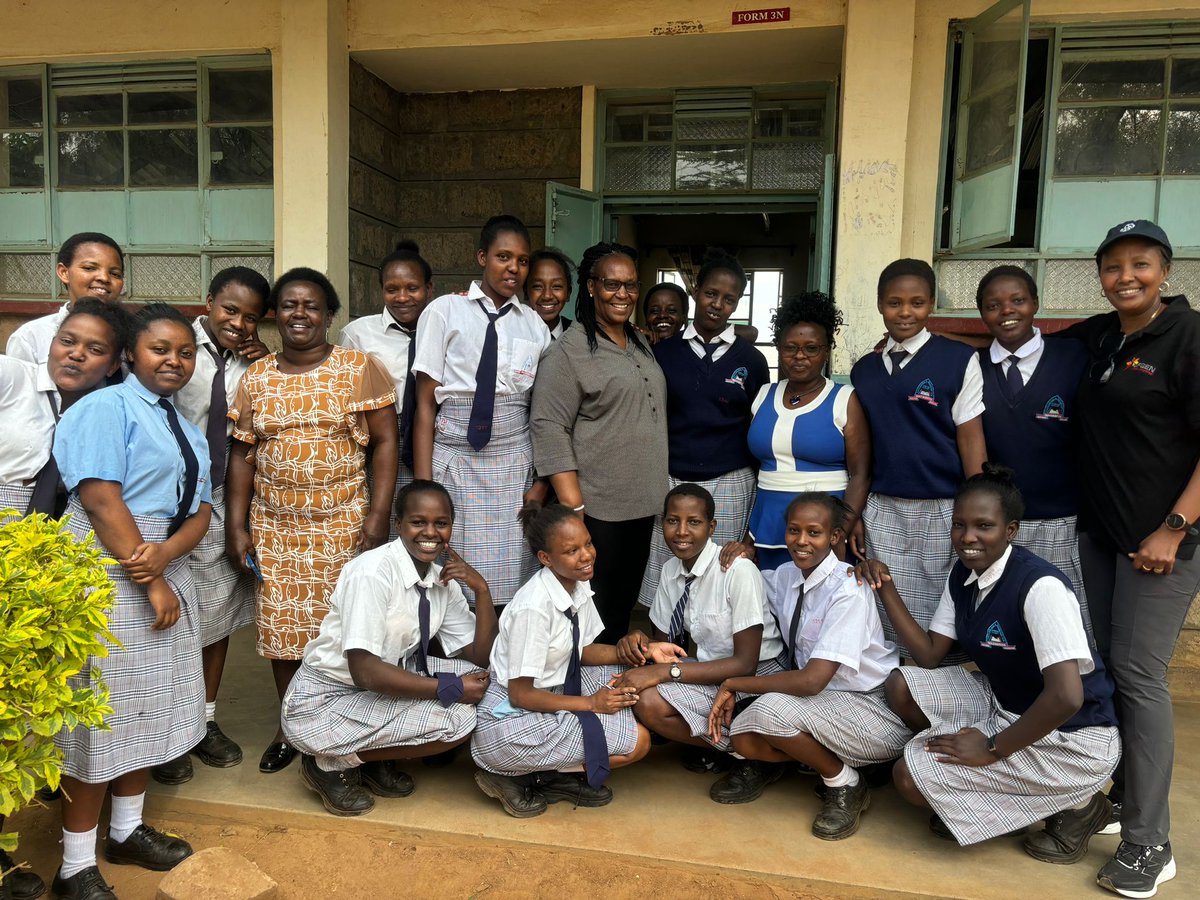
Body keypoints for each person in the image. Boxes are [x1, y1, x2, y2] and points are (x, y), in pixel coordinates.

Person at [862, 467, 1118, 862]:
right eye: (959, 525)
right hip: (1005, 705)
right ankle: (978, 785)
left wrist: (992, 748)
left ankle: (1081, 806)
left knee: (909, 779)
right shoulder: (964, 573)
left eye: (984, 525)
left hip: (1073, 736)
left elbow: (1068, 696)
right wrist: (887, 587)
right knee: (901, 684)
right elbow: (930, 655)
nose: (968, 537)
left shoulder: (1040, 587)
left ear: (1011, 530)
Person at [50, 303, 214, 899]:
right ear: (129, 355)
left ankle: (126, 831)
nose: (174, 360)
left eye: (185, 352)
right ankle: (73, 866)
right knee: (99, 718)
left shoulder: (183, 424)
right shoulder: (105, 407)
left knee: (145, 707)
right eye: (159, 349)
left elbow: (202, 510)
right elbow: (99, 499)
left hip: (160, 562)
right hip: (107, 565)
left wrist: (166, 556)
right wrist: (149, 576)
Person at [1057, 220, 1200, 898]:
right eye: (1112, 266)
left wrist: (1173, 528)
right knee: (1114, 670)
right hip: (1105, 538)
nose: (1125, 277)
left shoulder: (1188, 338)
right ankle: (1121, 798)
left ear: (1165, 269)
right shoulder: (1103, 336)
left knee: (1141, 679)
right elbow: (1030, 342)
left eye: (1139, 264)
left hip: (1162, 546)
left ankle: (1152, 844)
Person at [226, 267, 398, 776]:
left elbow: (386, 442)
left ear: (328, 315)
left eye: (313, 305)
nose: (301, 314)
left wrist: (378, 516)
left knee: (347, 629)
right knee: (283, 632)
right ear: (277, 315)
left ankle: (345, 724)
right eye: (291, 305)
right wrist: (238, 527)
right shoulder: (256, 378)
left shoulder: (359, 368)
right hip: (275, 527)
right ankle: (292, 724)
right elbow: (242, 456)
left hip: (343, 521)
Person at [280, 480, 497, 816]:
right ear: (398, 525)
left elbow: (481, 656)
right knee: (457, 718)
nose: (430, 532)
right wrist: (448, 687)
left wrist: (482, 592)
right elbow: (364, 671)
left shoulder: (441, 581)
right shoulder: (373, 573)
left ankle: (369, 759)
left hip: (377, 689)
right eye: (418, 522)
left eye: (441, 523)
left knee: (482, 679)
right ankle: (329, 764)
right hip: (324, 701)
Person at [714, 493, 907, 834]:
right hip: (824, 702)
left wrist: (733, 683)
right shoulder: (787, 575)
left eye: (814, 533)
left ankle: (846, 783)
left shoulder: (848, 588)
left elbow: (812, 681)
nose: (801, 541)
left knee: (768, 710)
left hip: (870, 706)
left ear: (834, 537)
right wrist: (746, 555)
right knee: (744, 738)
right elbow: (752, 585)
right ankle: (808, 763)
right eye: (793, 530)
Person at [147, 267, 272, 786]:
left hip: (223, 497)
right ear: (208, 303)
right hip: (167, 497)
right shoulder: (175, 345)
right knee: (165, 617)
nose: (238, 324)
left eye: (250, 317)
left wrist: (268, 365)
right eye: (229, 310)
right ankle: (164, 734)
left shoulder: (256, 362)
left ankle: (203, 721)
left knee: (215, 617)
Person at [471, 504, 657, 818]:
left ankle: (549, 773)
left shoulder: (575, 581)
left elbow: (579, 649)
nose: (586, 555)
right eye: (572, 550)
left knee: (631, 677)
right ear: (545, 558)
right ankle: (525, 774)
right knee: (639, 743)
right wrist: (592, 704)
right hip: (511, 719)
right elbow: (520, 694)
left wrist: (640, 652)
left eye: (588, 543)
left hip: (556, 686)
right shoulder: (534, 608)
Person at [530, 242, 668, 641]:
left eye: (630, 285)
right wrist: (574, 506)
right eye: (611, 284)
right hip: (598, 509)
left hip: (643, 505)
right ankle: (586, 689)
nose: (622, 294)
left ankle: (614, 687)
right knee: (594, 611)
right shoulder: (568, 352)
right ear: (590, 287)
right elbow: (549, 426)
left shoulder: (638, 342)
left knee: (622, 606)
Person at [412, 215, 549, 607]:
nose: (514, 268)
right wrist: (426, 487)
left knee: (511, 576)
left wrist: (537, 481)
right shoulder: (444, 312)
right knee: (448, 576)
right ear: (482, 257)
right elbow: (425, 405)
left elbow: (541, 412)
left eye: (522, 261)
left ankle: (500, 662)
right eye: (503, 256)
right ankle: (453, 662)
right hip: (454, 456)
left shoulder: (534, 327)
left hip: (511, 462)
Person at [850, 259, 985, 650]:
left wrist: (976, 509)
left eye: (917, 302)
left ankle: (934, 690)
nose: (905, 312)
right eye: (894, 302)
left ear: (930, 306)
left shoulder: (958, 360)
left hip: (944, 506)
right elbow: (864, 450)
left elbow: (971, 438)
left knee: (940, 614)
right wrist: (856, 512)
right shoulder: (865, 370)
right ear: (879, 304)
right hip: (883, 508)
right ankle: (884, 692)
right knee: (881, 607)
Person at [615, 484, 782, 794]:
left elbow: (745, 664)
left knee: (653, 686)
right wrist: (641, 648)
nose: (682, 532)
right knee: (644, 698)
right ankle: (732, 749)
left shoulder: (736, 570)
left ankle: (757, 757)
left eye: (694, 522)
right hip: (712, 671)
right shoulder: (669, 571)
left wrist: (663, 672)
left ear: (711, 527)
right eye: (672, 521)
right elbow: (664, 650)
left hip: (759, 676)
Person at [637, 252, 770, 607]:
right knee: (666, 580)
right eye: (712, 294)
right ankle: (664, 653)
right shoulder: (663, 353)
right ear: (696, 291)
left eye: (729, 299)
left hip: (728, 481)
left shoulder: (751, 361)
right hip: (670, 480)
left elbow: (756, 423)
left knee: (717, 580)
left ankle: (711, 658)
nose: (718, 305)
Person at [974, 266, 1090, 607]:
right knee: (1004, 619)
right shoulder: (971, 365)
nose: (1006, 311)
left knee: (1063, 616)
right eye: (993, 305)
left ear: (1035, 303)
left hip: (1063, 520)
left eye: (1018, 300)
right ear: (981, 313)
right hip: (999, 524)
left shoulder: (1074, 356)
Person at [733, 292, 870, 571]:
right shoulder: (762, 395)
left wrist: (843, 528)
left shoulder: (845, 399)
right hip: (770, 522)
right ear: (779, 349)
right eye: (790, 347)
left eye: (811, 348)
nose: (799, 356)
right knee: (772, 605)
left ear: (827, 351)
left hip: (825, 528)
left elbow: (860, 474)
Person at [338, 240, 436, 539]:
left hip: (433, 439)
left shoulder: (445, 330)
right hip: (378, 443)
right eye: (392, 289)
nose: (402, 297)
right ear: (381, 290)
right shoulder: (358, 334)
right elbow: (345, 393)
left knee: (426, 519)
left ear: (429, 290)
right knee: (382, 521)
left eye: (412, 288)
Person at [0, 300, 127, 522]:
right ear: (51, 344)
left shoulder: (111, 414)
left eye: (95, 349)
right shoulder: (10, 376)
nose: (76, 354)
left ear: (113, 366)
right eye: (67, 341)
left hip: (54, 537)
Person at [7, 232, 125, 367]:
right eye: (89, 268)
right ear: (64, 272)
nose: (104, 278)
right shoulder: (31, 337)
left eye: (115, 274)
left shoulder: (133, 335)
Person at [524, 247, 573, 340]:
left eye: (556, 286)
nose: (547, 296)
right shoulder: (514, 333)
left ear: (568, 293)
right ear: (526, 292)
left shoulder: (578, 336)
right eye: (538, 286)